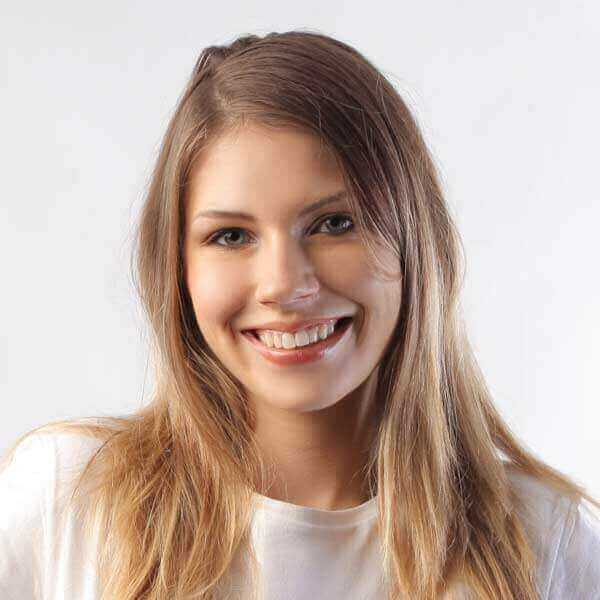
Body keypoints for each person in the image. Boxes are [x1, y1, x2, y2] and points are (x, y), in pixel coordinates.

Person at [1, 29, 599, 600]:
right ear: (176, 268)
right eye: (231, 236)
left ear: (417, 245)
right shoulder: (67, 497)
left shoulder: (552, 544)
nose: (284, 286)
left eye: (335, 223)